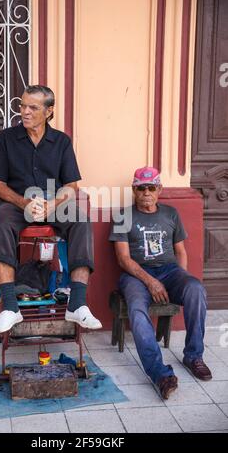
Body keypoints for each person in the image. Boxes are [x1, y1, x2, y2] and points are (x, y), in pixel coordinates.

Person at [0, 85, 102, 334]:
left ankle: (78, 304)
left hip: (53, 204)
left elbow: (71, 185)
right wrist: (24, 203)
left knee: (81, 221)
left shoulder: (61, 141)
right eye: (22, 106)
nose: (24, 112)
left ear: (49, 111)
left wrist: (53, 204)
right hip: (17, 204)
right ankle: (10, 307)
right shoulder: (7, 138)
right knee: (0, 222)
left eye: (33, 107)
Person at [109, 166, 212, 399]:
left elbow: (181, 251)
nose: (147, 192)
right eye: (141, 188)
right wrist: (151, 281)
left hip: (169, 271)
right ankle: (160, 373)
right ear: (134, 190)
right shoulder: (123, 216)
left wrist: (181, 279)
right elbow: (123, 259)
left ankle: (194, 356)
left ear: (159, 189)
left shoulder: (171, 213)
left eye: (151, 187)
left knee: (195, 288)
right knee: (136, 308)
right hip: (136, 274)